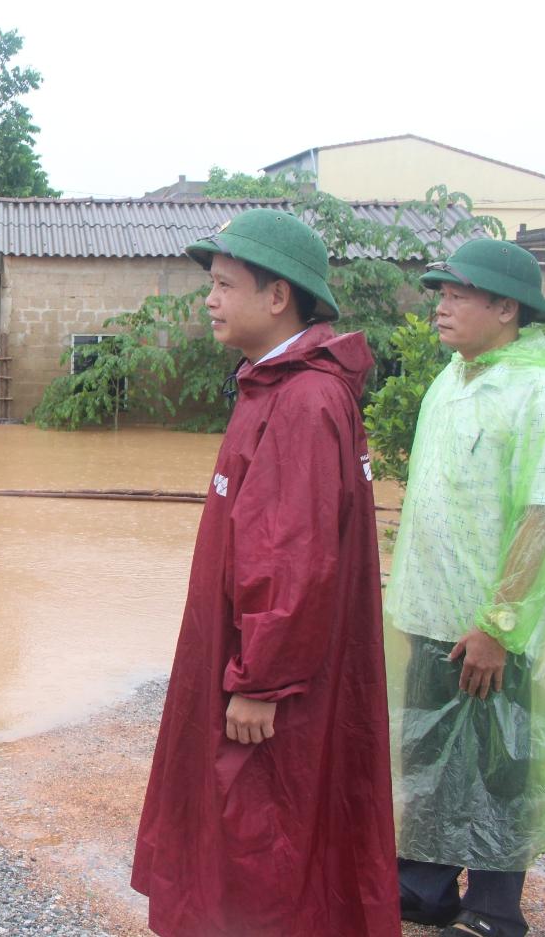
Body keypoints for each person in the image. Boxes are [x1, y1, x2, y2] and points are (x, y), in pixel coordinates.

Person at [131, 209, 400, 936]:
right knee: (267, 830)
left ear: (277, 296)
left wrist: (260, 682)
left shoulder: (304, 400)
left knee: (263, 832)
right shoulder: (271, 386)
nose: (209, 299)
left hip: (272, 678)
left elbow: (292, 556)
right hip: (258, 661)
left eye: (223, 284)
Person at [385, 238, 545, 937]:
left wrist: (500, 623)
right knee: (427, 753)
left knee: (497, 761)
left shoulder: (544, 389)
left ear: (505, 307)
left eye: (457, 295)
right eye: (441, 295)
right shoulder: (451, 379)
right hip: (431, 612)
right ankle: (424, 886)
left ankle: (493, 907)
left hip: (491, 626)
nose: (441, 308)